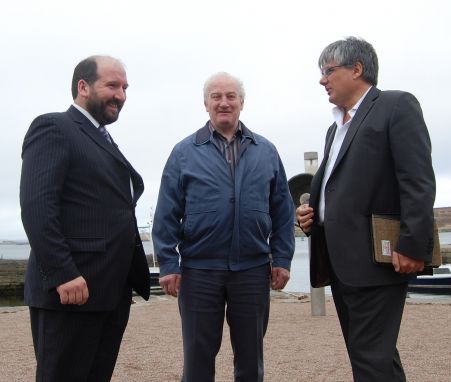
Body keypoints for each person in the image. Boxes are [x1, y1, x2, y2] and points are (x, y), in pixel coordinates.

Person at [296, 37, 435, 381]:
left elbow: (417, 180)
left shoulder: (395, 106)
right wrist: (313, 214)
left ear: (356, 69)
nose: (321, 80)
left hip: (378, 259)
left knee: (370, 359)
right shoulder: (335, 128)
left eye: (328, 71)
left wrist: (412, 244)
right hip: (341, 262)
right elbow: (340, 187)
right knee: (376, 356)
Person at [153, 72, 295, 381]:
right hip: (200, 271)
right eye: (216, 96)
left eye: (231, 96)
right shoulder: (184, 153)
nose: (224, 102)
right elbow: (166, 213)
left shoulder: (266, 151)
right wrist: (167, 263)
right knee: (198, 358)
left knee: (250, 358)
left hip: (252, 269)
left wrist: (281, 259)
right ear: (205, 104)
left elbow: (283, 211)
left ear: (242, 102)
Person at [20, 55, 150, 382]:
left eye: (124, 87)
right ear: (83, 87)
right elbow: (37, 205)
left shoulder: (101, 138)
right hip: (72, 291)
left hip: (108, 292)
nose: (121, 94)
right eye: (112, 85)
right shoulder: (54, 127)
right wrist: (63, 273)